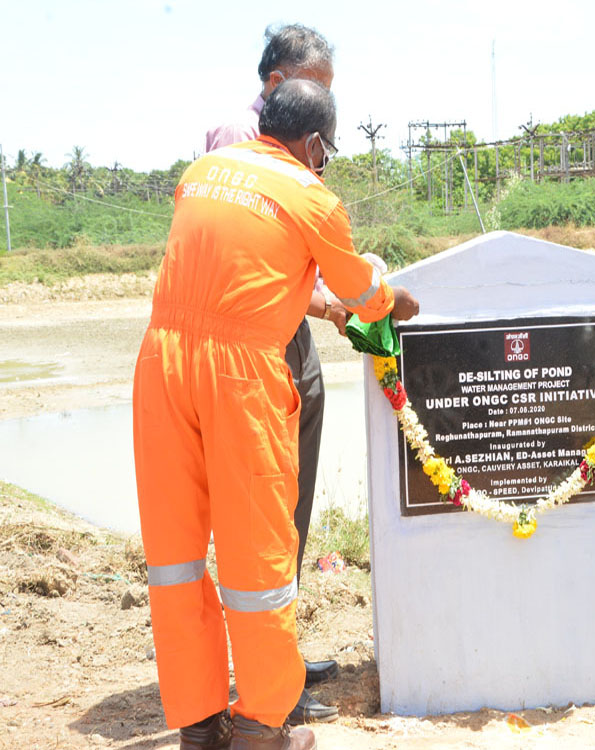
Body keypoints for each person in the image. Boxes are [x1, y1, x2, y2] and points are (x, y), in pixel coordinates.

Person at [133, 79, 419, 750]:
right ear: (315, 144)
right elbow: (360, 291)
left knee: (175, 559)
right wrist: (393, 300)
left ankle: (199, 726)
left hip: (161, 365)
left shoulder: (202, 173)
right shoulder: (312, 196)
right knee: (258, 555)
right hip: (240, 377)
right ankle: (262, 726)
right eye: (329, 153)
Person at [206, 24, 345, 725]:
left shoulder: (299, 146)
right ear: (276, 83)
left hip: (293, 328)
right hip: (256, 341)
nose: (325, 105)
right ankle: (263, 682)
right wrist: (344, 303)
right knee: (264, 504)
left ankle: (278, 653)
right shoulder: (242, 138)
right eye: (316, 88)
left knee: (292, 496)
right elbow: (250, 262)